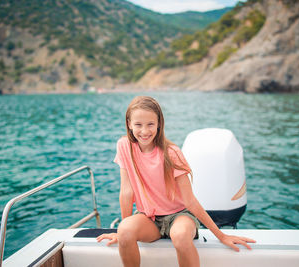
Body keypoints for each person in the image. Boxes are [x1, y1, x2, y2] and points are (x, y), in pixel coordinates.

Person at [96, 96, 255, 267]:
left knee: (180, 237)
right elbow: (126, 192)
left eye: (150, 124)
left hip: (179, 216)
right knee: (125, 231)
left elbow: (190, 201)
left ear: (159, 124)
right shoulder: (124, 146)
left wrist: (221, 235)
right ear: (129, 124)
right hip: (149, 218)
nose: (144, 131)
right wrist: (122, 229)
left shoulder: (172, 153)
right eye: (138, 125)